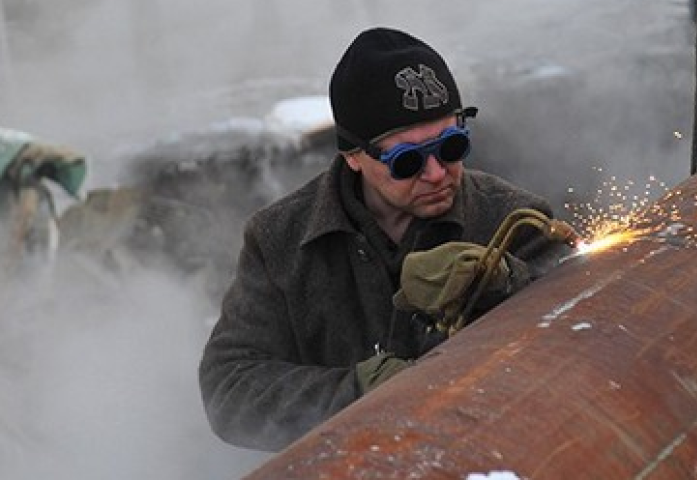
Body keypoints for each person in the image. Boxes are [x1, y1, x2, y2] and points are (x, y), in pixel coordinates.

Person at [198, 27, 571, 452]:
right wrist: (362, 390)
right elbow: (229, 389)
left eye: (452, 146)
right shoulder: (280, 241)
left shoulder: (513, 219)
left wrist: (506, 282)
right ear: (353, 156)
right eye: (407, 160)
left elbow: (579, 330)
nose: (435, 173)